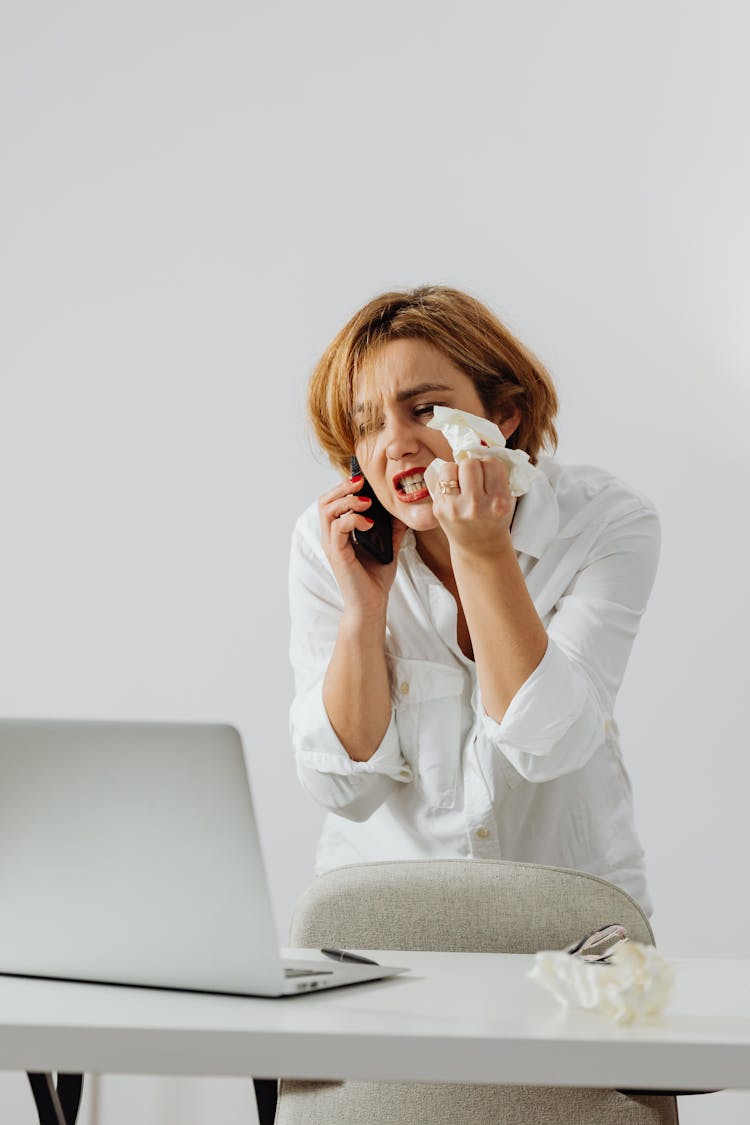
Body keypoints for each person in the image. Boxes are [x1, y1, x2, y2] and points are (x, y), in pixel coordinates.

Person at [288, 286, 659, 914]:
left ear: (504, 416)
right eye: (368, 423)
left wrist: (483, 552)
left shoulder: (604, 522)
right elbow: (342, 791)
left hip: (570, 915)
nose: (396, 444)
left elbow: (548, 746)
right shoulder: (330, 542)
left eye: (426, 409)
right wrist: (364, 611)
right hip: (384, 915)